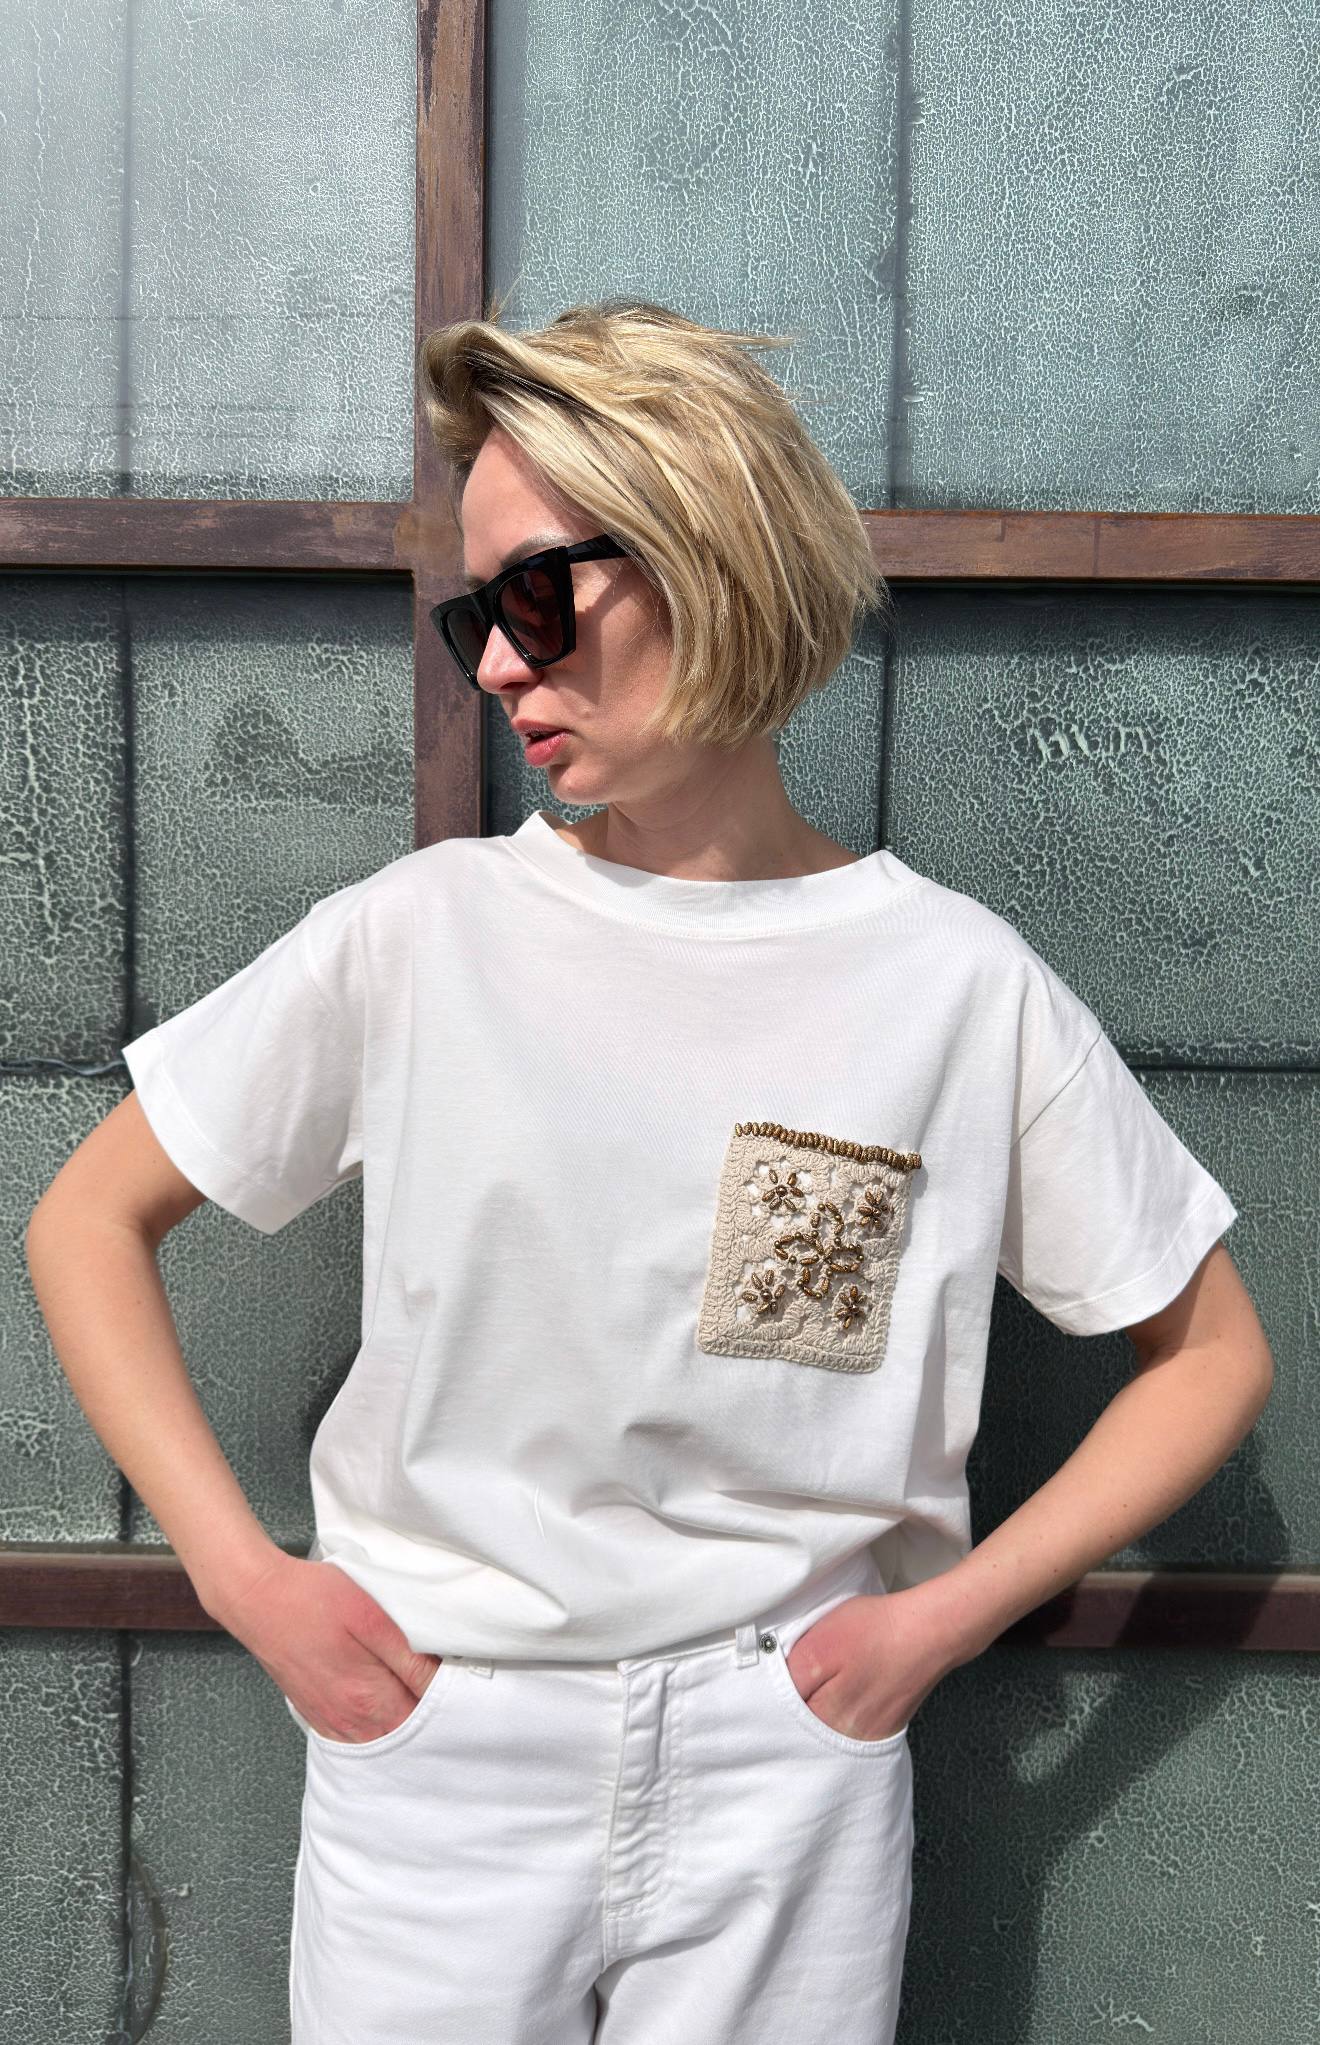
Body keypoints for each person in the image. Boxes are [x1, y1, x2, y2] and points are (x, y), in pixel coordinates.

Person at [25, 298, 1273, 2045]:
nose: (495, 667)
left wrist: (943, 1622)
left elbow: (1210, 1354)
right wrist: (244, 1579)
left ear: (709, 548)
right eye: (475, 616)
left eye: (536, 598)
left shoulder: (952, 985)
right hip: (445, 1748)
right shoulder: (426, 936)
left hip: (790, 1767)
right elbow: (87, 1215)